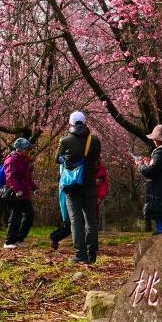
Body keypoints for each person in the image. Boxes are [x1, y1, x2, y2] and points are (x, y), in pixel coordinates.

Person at [57, 111, 102, 264]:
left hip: (73, 185)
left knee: (76, 219)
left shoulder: (65, 141)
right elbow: (96, 159)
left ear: (71, 123)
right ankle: (92, 254)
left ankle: (80, 253)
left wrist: (67, 159)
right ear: (84, 122)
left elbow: (58, 159)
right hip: (90, 185)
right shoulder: (95, 141)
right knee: (91, 220)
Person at [3, 137, 37, 249]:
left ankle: (19, 239)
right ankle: (9, 242)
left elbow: (27, 177)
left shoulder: (24, 160)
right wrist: (17, 190)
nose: (28, 151)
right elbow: (10, 176)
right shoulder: (11, 160)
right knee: (15, 216)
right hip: (14, 193)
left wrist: (34, 187)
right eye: (26, 149)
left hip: (24, 193)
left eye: (28, 149)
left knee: (30, 214)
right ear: (19, 149)